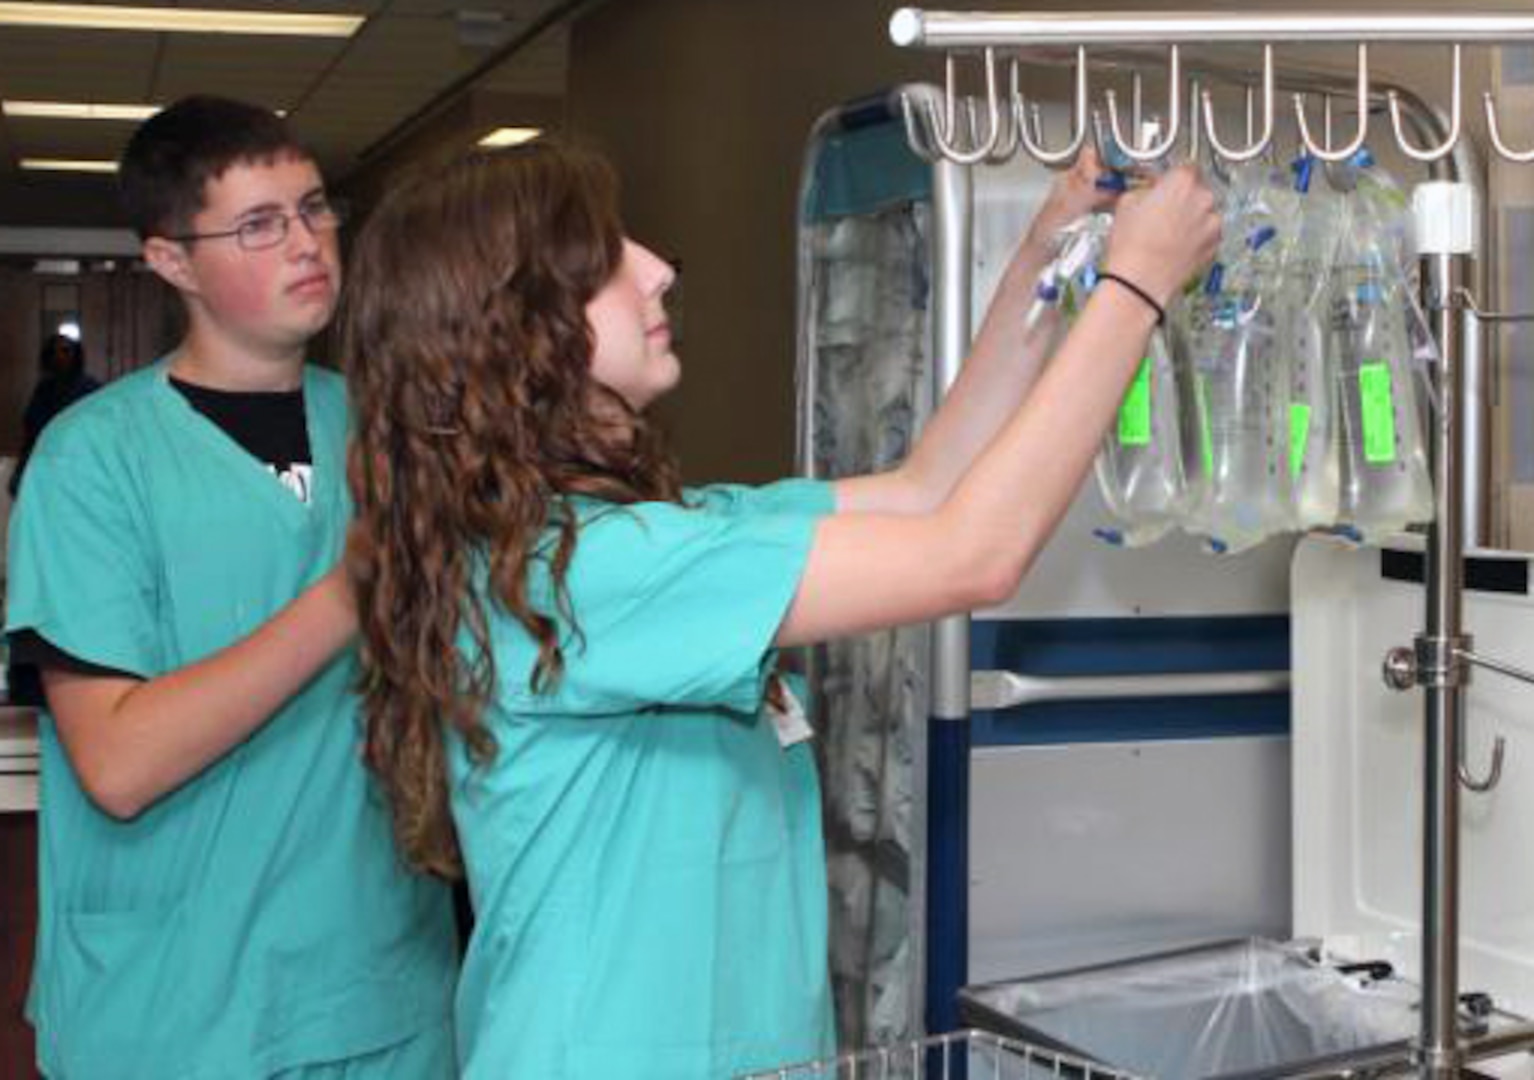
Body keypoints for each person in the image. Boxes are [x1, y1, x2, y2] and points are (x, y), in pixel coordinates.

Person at [338, 141, 1219, 1079]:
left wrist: (1051, 248)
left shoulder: (639, 536)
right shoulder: (592, 570)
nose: (659, 269)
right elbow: (973, 554)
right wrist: (1135, 288)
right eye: (602, 262)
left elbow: (932, 488)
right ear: (514, 329)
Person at [4, 96, 459, 1078]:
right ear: (170, 260)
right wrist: (344, 596)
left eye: (313, 209)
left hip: (380, 992)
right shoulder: (95, 461)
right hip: (176, 1011)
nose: (305, 242)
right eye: (259, 224)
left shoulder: (390, 432)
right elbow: (118, 763)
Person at [8, 333, 99, 498]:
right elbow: (32, 429)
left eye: (65, 351)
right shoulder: (44, 389)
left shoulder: (89, 388)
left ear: (75, 354)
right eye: (54, 352)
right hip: (46, 461)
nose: (60, 356)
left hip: (79, 463)